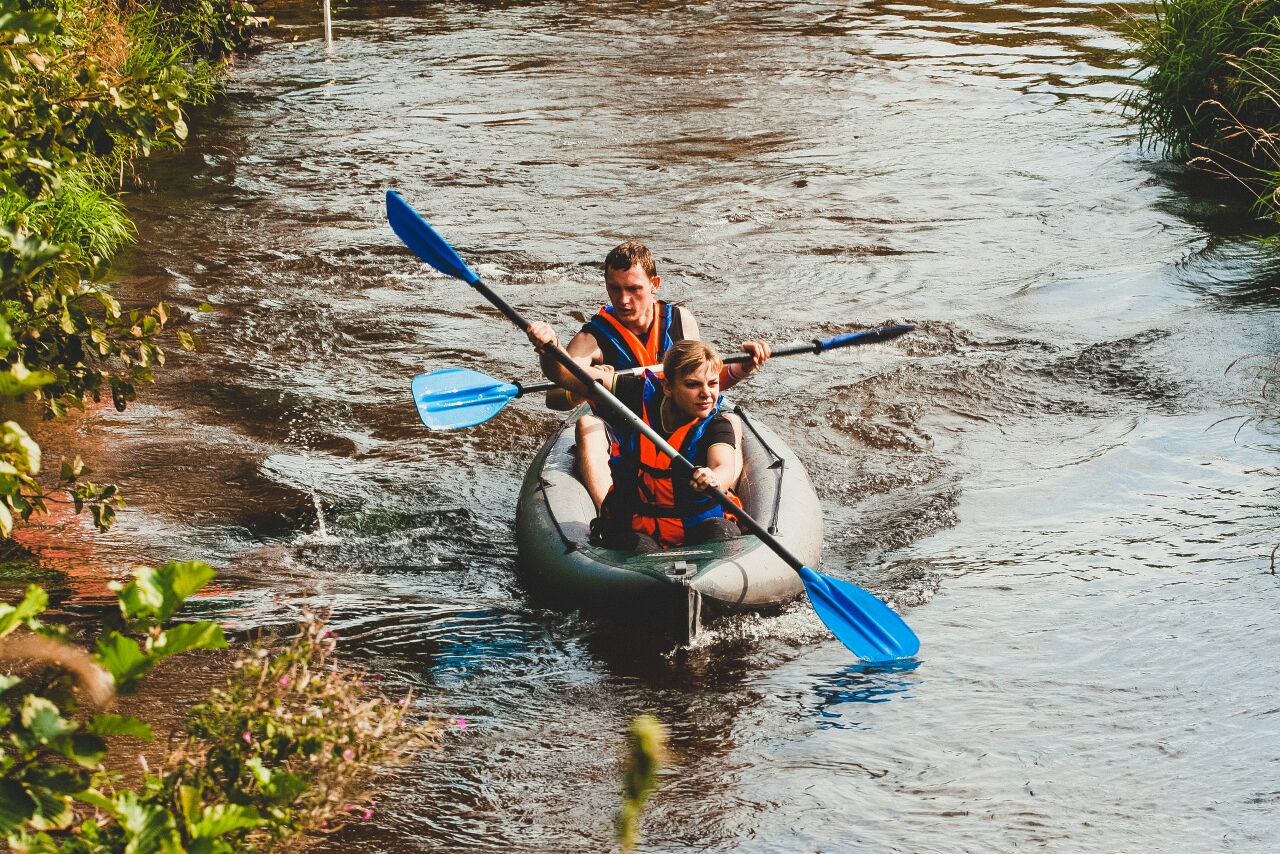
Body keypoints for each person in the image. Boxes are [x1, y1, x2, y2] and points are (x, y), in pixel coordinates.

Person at [553, 239, 769, 511]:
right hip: (625, 430)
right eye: (614, 289)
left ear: (654, 285)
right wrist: (590, 381)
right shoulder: (591, 339)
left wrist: (743, 368)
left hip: (677, 423)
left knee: (729, 421)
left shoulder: (681, 321)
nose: (623, 300)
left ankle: (720, 495)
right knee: (587, 426)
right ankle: (605, 511)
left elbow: (702, 384)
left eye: (633, 289)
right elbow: (555, 396)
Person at [527, 323, 768, 552]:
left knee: (721, 531)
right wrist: (550, 347)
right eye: (693, 385)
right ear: (668, 387)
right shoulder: (634, 394)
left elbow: (723, 465)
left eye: (713, 383)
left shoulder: (716, 423)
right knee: (639, 548)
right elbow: (566, 375)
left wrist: (713, 478)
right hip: (636, 523)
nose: (706, 394)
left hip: (696, 524)